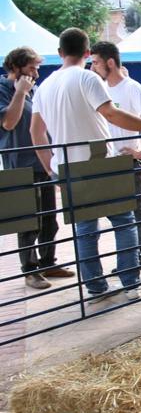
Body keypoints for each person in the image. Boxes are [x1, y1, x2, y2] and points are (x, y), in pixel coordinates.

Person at [30, 28, 141, 303]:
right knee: (123, 221)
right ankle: (131, 283)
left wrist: (51, 169)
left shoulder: (45, 86)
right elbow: (112, 113)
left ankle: (96, 287)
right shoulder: (88, 78)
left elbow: (36, 133)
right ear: (86, 53)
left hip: (67, 166)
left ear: (60, 53)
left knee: (85, 229)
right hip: (99, 162)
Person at [89, 41, 141, 283]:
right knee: (119, 215)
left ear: (110, 62)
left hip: (126, 161)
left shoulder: (132, 87)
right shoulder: (98, 88)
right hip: (106, 162)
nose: (93, 66)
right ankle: (132, 261)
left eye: (97, 62)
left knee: (137, 211)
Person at [0, 47, 75, 289]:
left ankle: (48, 262)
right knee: (28, 221)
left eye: (37, 68)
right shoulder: (5, 90)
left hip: (42, 161)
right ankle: (30, 270)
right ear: (15, 67)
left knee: (49, 218)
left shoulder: (34, 91)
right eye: (31, 68)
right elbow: (9, 123)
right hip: (19, 164)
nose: (36, 73)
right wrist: (20, 92)